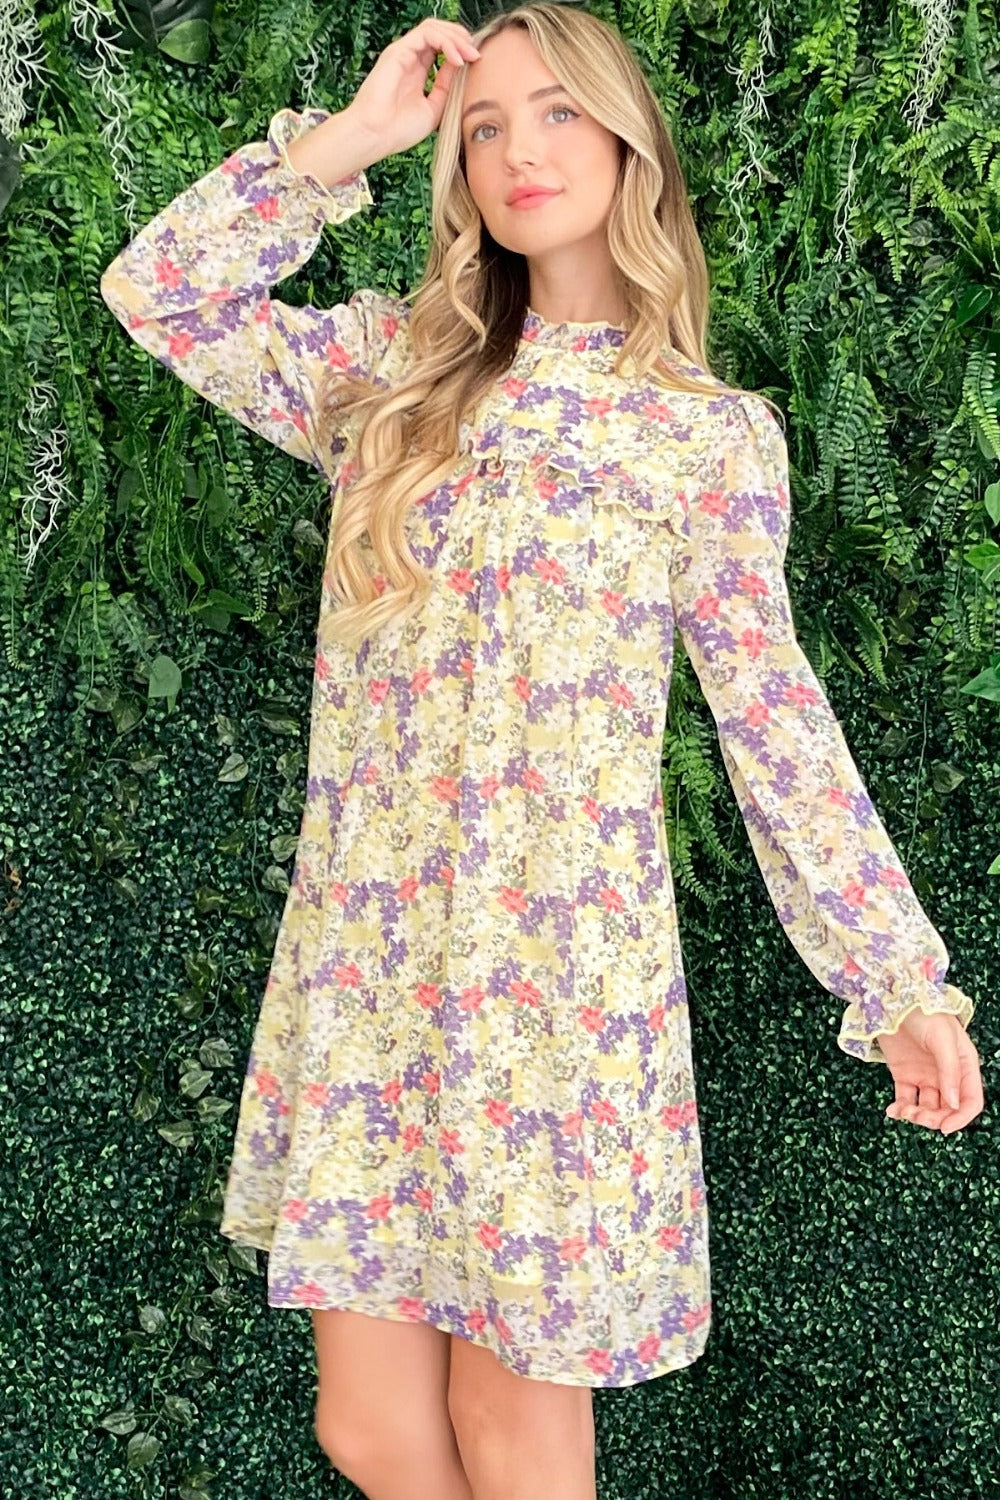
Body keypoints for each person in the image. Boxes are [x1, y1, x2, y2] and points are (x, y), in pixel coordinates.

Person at [99, 5, 985, 1497]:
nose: (522, 149)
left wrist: (893, 978)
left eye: (558, 111)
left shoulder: (704, 437)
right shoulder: (390, 373)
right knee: (370, 1431)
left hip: (553, 989)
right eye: (487, 122)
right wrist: (352, 142)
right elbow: (161, 296)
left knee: (518, 1439)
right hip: (372, 963)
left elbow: (775, 721)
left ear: (628, 139)